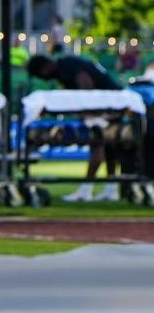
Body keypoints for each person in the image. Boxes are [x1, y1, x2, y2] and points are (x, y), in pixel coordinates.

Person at [26, 53, 123, 202]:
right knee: (109, 148)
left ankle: (86, 189)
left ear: (44, 68)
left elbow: (86, 85)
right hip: (111, 104)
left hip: (104, 107)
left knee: (97, 145)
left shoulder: (66, 66)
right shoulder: (66, 66)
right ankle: (111, 189)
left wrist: (86, 111)